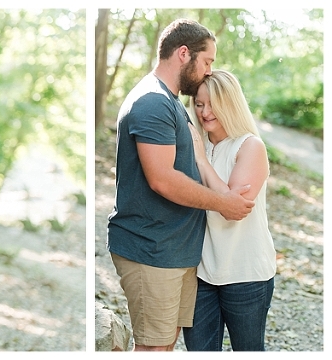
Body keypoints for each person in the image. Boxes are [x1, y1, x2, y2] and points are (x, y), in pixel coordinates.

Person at [106, 19, 255, 351]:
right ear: (184, 53)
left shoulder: (170, 102)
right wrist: (224, 203)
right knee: (153, 348)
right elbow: (162, 180)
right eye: (207, 61)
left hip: (173, 253)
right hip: (151, 249)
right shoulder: (152, 102)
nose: (208, 71)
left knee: (165, 345)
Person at [182, 69, 276, 351]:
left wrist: (200, 158)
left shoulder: (250, 146)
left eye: (213, 104)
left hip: (246, 274)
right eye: (199, 104)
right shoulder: (195, 145)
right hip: (201, 273)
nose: (205, 112)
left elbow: (231, 208)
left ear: (230, 104)